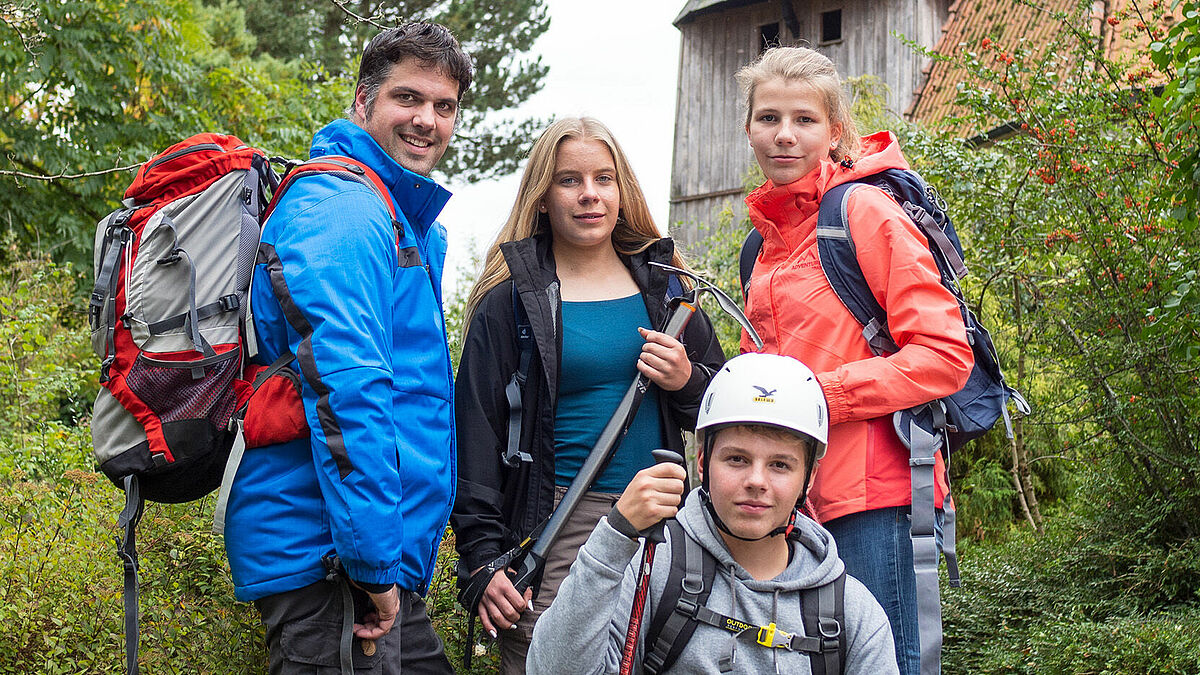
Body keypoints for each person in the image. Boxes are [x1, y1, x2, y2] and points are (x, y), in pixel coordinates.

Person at [221, 23, 472, 674]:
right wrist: (371, 565)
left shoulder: (392, 212)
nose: (427, 120)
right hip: (331, 558)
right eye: (408, 99)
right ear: (362, 104)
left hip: (359, 553)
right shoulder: (344, 207)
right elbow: (345, 389)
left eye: (444, 107)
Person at [450, 116, 726, 673]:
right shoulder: (509, 306)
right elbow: (473, 438)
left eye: (604, 178)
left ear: (622, 193)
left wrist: (686, 379)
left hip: (668, 528)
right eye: (569, 180)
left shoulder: (668, 290)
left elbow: (725, 416)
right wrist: (482, 561)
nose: (589, 195)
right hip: (556, 527)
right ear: (542, 197)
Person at [734, 46, 975, 675]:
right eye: (769, 117)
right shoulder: (759, 248)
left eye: (805, 120)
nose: (784, 134)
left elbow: (946, 355)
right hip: (791, 505)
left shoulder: (862, 213)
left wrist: (823, 396)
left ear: (835, 131)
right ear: (750, 127)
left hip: (878, 499)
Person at [525, 352, 898, 674]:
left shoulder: (852, 611)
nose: (756, 481)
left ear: (809, 477)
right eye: (736, 459)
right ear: (702, 462)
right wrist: (615, 536)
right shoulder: (651, 569)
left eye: (780, 465)